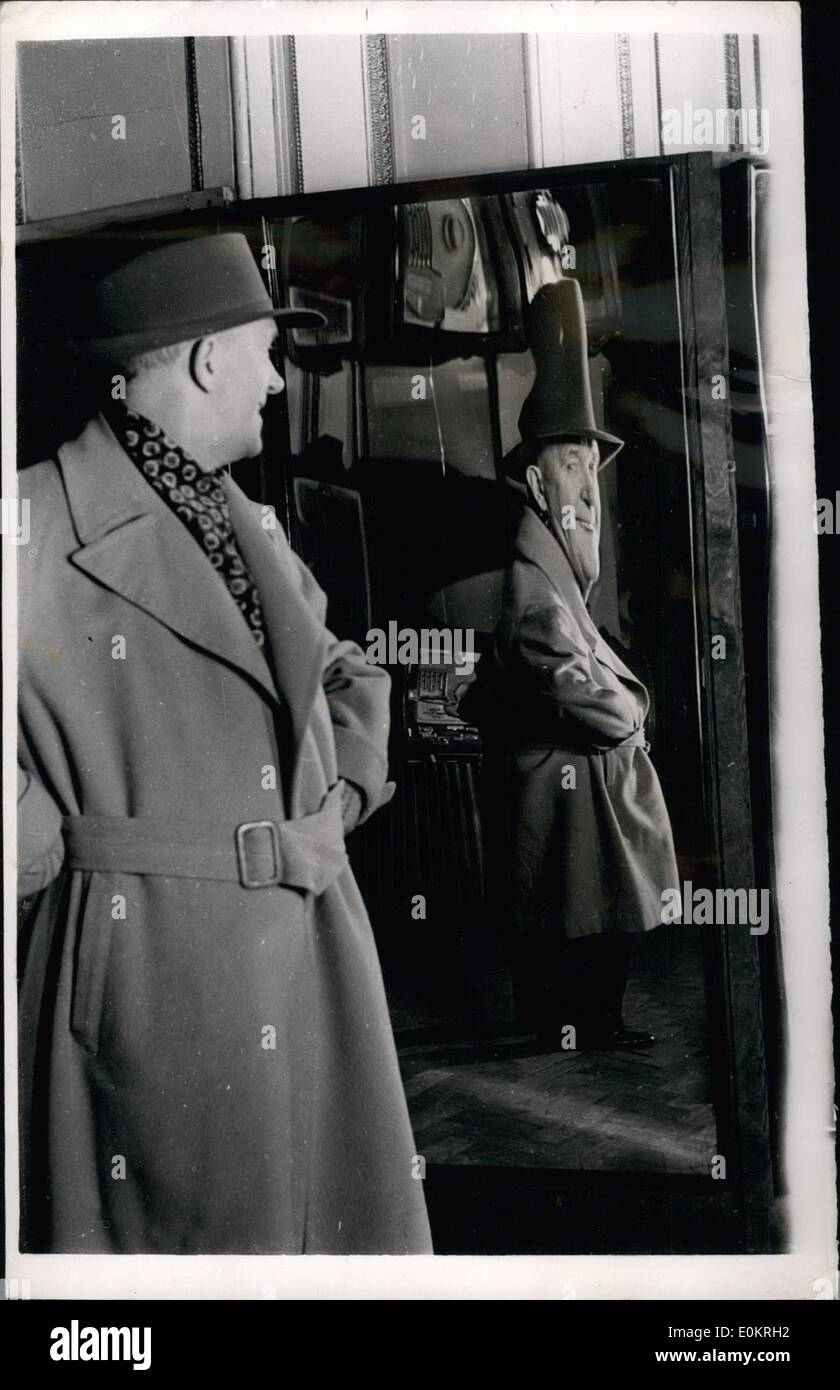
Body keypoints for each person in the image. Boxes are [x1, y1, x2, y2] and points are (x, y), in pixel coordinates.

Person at [16, 233, 433, 1254]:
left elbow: (344, 672)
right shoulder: (26, 520)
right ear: (207, 359)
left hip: (312, 949)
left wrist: (335, 800)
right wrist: (51, 846)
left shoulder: (241, 517)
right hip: (150, 975)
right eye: (266, 351)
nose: (280, 381)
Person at [488, 278, 680, 1049]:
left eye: (591, 469)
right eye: (573, 467)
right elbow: (584, 695)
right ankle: (570, 1019)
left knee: (589, 899)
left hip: (569, 782)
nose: (589, 490)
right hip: (555, 783)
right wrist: (631, 712)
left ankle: (584, 1016)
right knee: (580, 900)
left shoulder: (560, 574)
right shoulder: (537, 589)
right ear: (537, 484)